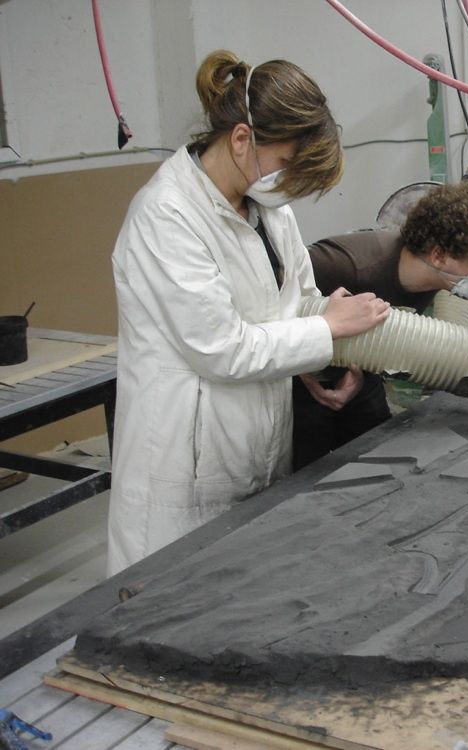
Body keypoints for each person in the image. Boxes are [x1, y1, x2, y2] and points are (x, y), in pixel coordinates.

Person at [106, 50, 390, 575]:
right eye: (286, 165)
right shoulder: (167, 214)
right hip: (186, 464)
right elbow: (223, 348)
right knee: (172, 599)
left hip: (256, 446)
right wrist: (325, 331)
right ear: (242, 139)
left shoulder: (269, 209)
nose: (288, 185)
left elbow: (297, 300)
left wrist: (331, 351)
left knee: (241, 591)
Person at [292, 182, 468, 469]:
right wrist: (305, 374)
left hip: (357, 370)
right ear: (439, 255)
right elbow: (267, 308)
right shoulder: (342, 265)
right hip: (297, 376)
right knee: (305, 474)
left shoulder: (433, 274)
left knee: (380, 461)